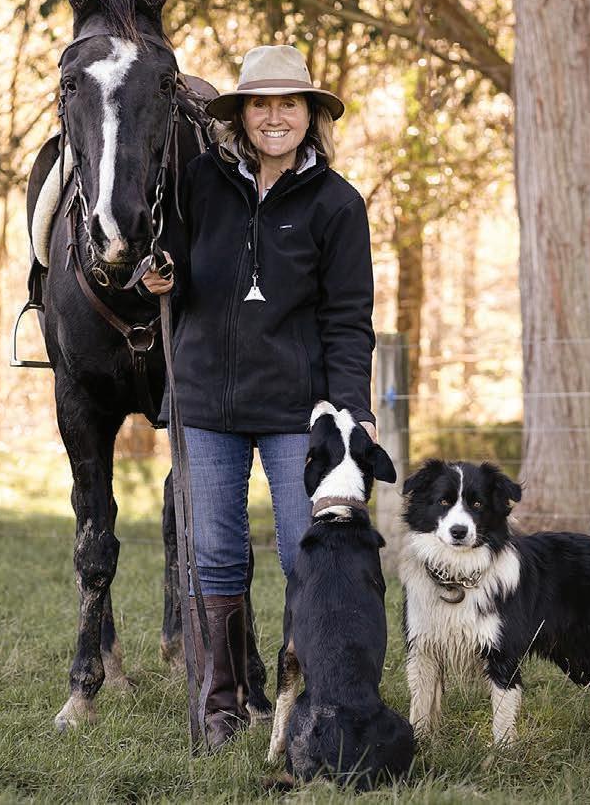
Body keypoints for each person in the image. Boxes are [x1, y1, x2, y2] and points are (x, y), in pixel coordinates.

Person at [144, 44, 377, 749]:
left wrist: (351, 410)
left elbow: (348, 319)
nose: (274, 117)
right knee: (214, 555)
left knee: (307, 556)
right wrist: (160, 275)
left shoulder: (338, 205)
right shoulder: (198, 183)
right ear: (240, 116)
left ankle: (308, 704)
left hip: (296, 412)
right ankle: (220, 708)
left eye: (289, 103)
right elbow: (172, 264)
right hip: (204, 402)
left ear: (310, 115)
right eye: (260, 104)